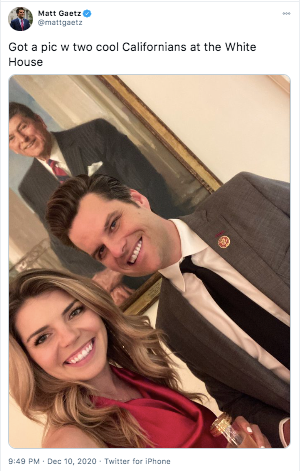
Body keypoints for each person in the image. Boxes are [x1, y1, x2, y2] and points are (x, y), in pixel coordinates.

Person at [46, 172, 290, 448]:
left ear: (137, 199)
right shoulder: (173, 327)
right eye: (100, 252)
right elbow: (236, 400)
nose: (116, 249)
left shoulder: (244, 199)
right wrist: (285, 429)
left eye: (113, 224)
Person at [9, 269, 269, 448]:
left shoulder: (138, 376)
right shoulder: (68, 443)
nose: (69, 337)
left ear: (97, 308)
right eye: (42, 338)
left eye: (75, 312)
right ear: (29, 361)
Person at [9, 102, 180, 300]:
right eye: (11, 138)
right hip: (125, 286)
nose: (23, 139)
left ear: (39, 121)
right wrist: (105, 285)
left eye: (23, 126)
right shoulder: (30, 187)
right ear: (11, 148)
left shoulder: (94, 133)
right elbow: (63, 246)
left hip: (162, 243)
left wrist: (117, 271)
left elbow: (148, 187)